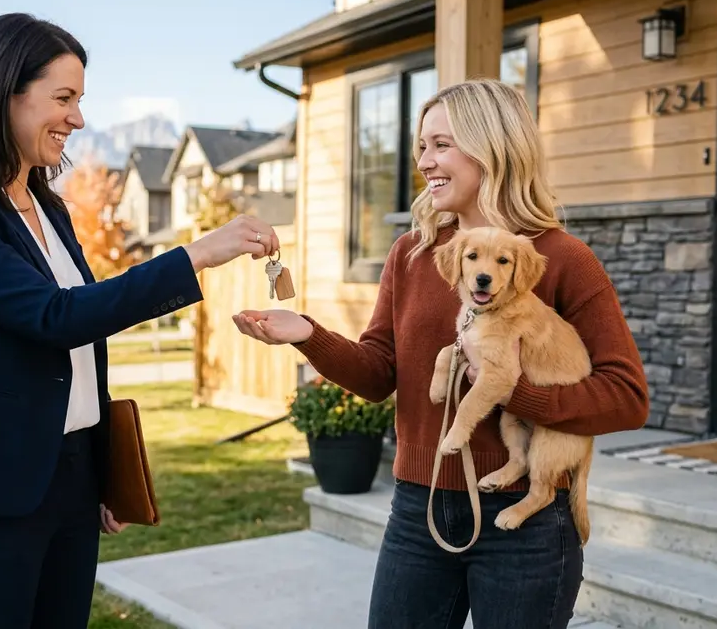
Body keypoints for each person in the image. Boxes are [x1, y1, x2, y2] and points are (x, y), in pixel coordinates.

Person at [0, 12, 280, 629]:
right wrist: (194, 255)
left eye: (79, 100)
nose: (77, 119)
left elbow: (81, 344)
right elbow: (55, 317)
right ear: (4, 93)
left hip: (71, 480)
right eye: (64, 98)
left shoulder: (49, 208)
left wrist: (102, 470)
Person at [232, 77, 649, 628]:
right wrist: (308, 334)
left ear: (493, 148)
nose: (424, 161)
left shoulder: (560, 258)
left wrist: (515, 394)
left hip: (526, 520)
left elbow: (626, 397)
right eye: (422, 146)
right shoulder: (412, 253)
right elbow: (379, 373)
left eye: (441, 145)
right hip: (418, 509)